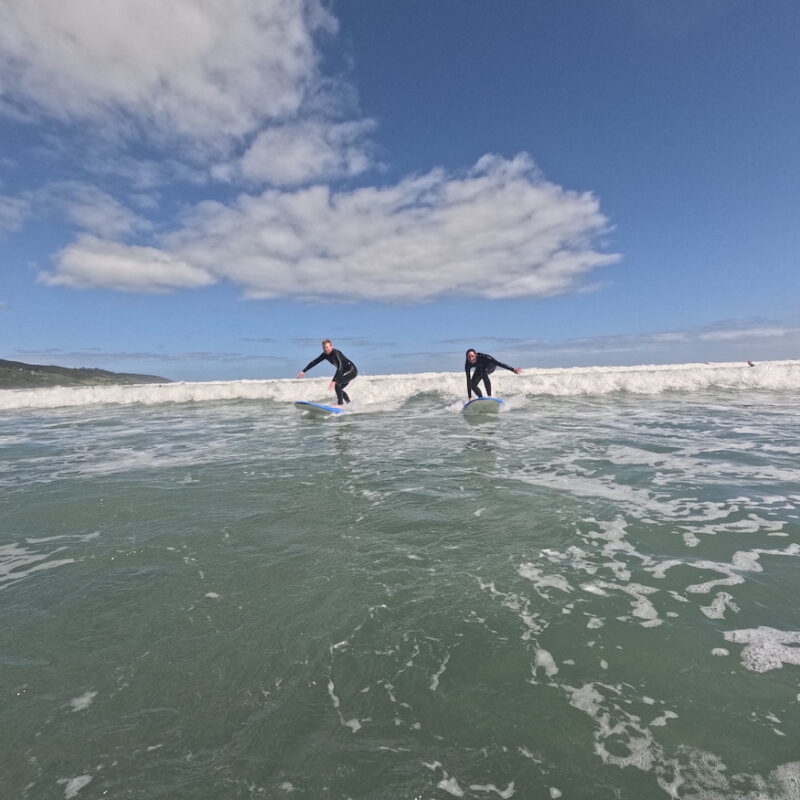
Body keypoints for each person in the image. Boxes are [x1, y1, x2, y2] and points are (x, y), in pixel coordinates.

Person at [296, 339, 358, 405]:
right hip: (344, 372)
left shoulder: (336, 353)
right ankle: (349, 404)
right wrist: (304, 371)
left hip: (351, 371)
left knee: (337, 384)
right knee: (339, 389)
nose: (326, 349)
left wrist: (334, 380)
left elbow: (340, 366)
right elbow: (315, 362)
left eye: (327, 347)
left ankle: (340, 405)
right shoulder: (324, 355)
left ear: (331, 346)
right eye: (324, 348)